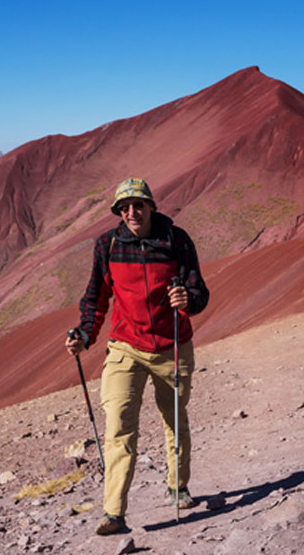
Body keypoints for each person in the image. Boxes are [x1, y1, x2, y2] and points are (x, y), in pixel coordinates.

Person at [65, 178, 210, 535]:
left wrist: (187, 301)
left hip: (171, 346)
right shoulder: (109, 245)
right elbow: (96, 297)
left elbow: (199, 290)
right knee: (118, 427)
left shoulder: (176, 240)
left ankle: (178, 487)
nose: (132, 212)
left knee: (174, 420)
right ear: (118, 211)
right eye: (125, 207)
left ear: (151, 206)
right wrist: (84, 334)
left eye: (138, 205)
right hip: (125, 347)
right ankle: (113, 513)